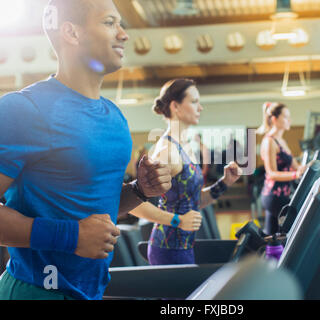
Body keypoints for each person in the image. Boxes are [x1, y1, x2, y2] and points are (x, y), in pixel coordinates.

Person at [0, 0, 200, 300]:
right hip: (36, 291)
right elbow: (77, 230)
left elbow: (95, 208)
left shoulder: (114, 117)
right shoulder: (24, 109)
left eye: (121, 24)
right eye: (109, 22)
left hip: (91, 290)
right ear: (71, 32)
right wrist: (71, 236)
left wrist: (139, 190)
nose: (124, 34)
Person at [131, 78, 242, 265]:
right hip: (168, 249)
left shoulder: (185, 146)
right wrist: (177, 221)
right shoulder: (167, 151)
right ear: (176, 106)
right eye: (194, 101)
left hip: (184, 246)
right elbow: (134, 204)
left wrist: (224, 183)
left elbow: (194, 201)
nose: (201, 108)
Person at [257, 102, 306, 235]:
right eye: (285, 117)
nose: (289, 120)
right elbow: (271, 173)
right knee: (294, 231)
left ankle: (270, 256)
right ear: (274, 119)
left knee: (272, 238)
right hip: (274, 196)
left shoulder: (281, 141)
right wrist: (295, 175)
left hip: (282, 194)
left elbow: (297, 167)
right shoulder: (269, 141)